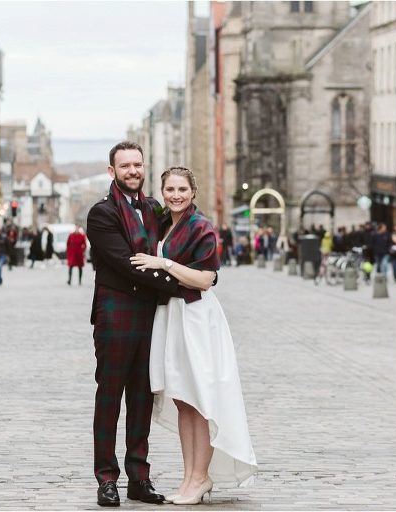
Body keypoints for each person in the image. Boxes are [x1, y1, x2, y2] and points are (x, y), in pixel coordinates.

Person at [131, 166, 256, 505]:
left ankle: (201, 477)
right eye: (169, 188)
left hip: (196, 316)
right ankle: (190, 477)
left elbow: (206, 279)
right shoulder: (164, 223)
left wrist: (163, 264)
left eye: (182, 189)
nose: (175, 195)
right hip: (171, 314)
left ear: (192, 192)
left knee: (198, 400)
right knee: (183, 400)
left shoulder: (201, 227)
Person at [86, 141, 182, 507]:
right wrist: (178, 281)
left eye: (137, 165)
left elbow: (172, 246)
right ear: (112, 171)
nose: (132, 171)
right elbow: (129, 263)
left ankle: (138, 477)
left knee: (143, 397)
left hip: (150, 314)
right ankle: (106, 478)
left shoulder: (154, 208)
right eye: (124, 166)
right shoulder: (102, 214)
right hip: (115, 314)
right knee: (110, 397)